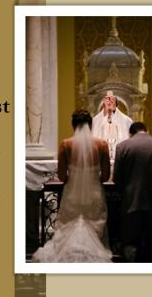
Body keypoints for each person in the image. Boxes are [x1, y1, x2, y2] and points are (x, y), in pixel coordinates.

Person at [32, 110, 112, 262]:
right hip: (94, 193)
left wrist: (75, 177)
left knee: (71, 224)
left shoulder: (66, 144)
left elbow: (62, 176)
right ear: (90, 124)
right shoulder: (102, 145)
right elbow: (106, 176)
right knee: (93, 224)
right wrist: (93, 178)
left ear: (73, 125)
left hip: (72, 194)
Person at [113, 122, 152, 262]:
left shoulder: (122, 147)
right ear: (147, 130)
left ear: (131, 133)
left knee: (130, 242)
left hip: (131, 202)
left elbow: (117, 178)